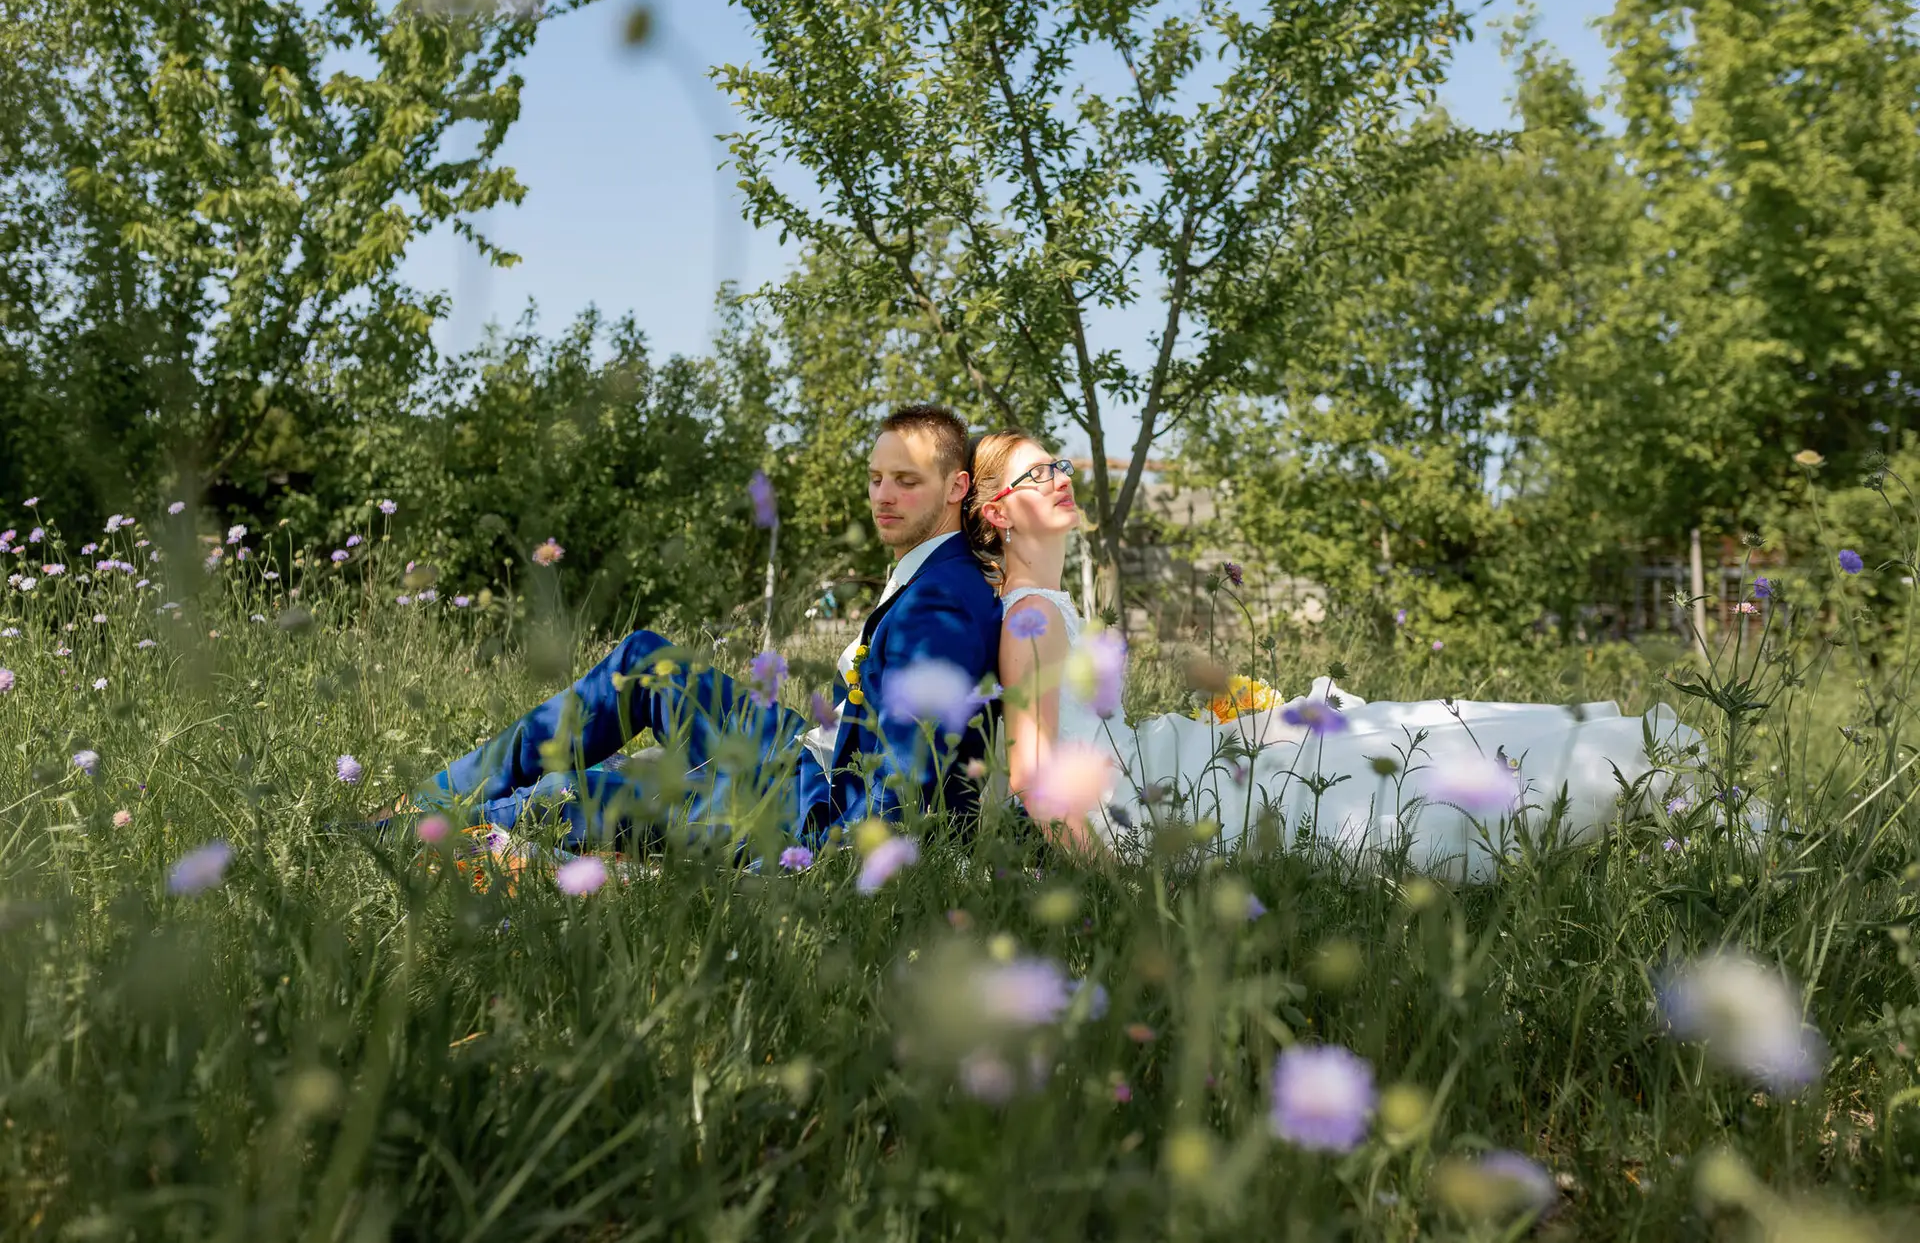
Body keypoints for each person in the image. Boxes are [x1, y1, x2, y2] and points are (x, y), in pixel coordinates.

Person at [962, 429, 1705, 883]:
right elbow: (1033, 779)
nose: (1060, 477)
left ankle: (1607, 766)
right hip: (1144, 801)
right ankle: (1610, 767)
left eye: (1059, 463)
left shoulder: (1046, 606)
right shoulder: (1030, 614)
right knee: (1366, 779)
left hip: (1162, 764)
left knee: (1375, 730)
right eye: (1037, 475)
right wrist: (1117, 879)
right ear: (997, 513)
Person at [381, 405, 1004, 865]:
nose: (883, 497)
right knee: (646, 659)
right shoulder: (934, 571)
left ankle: (411, 831)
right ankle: (438, 796)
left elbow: (899, 786)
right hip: (807, 749)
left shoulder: (944, 604)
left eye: (907, 481)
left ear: (957, 487)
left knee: (578, 799)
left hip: (814, 804)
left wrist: (806, 859)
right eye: (875, 478)